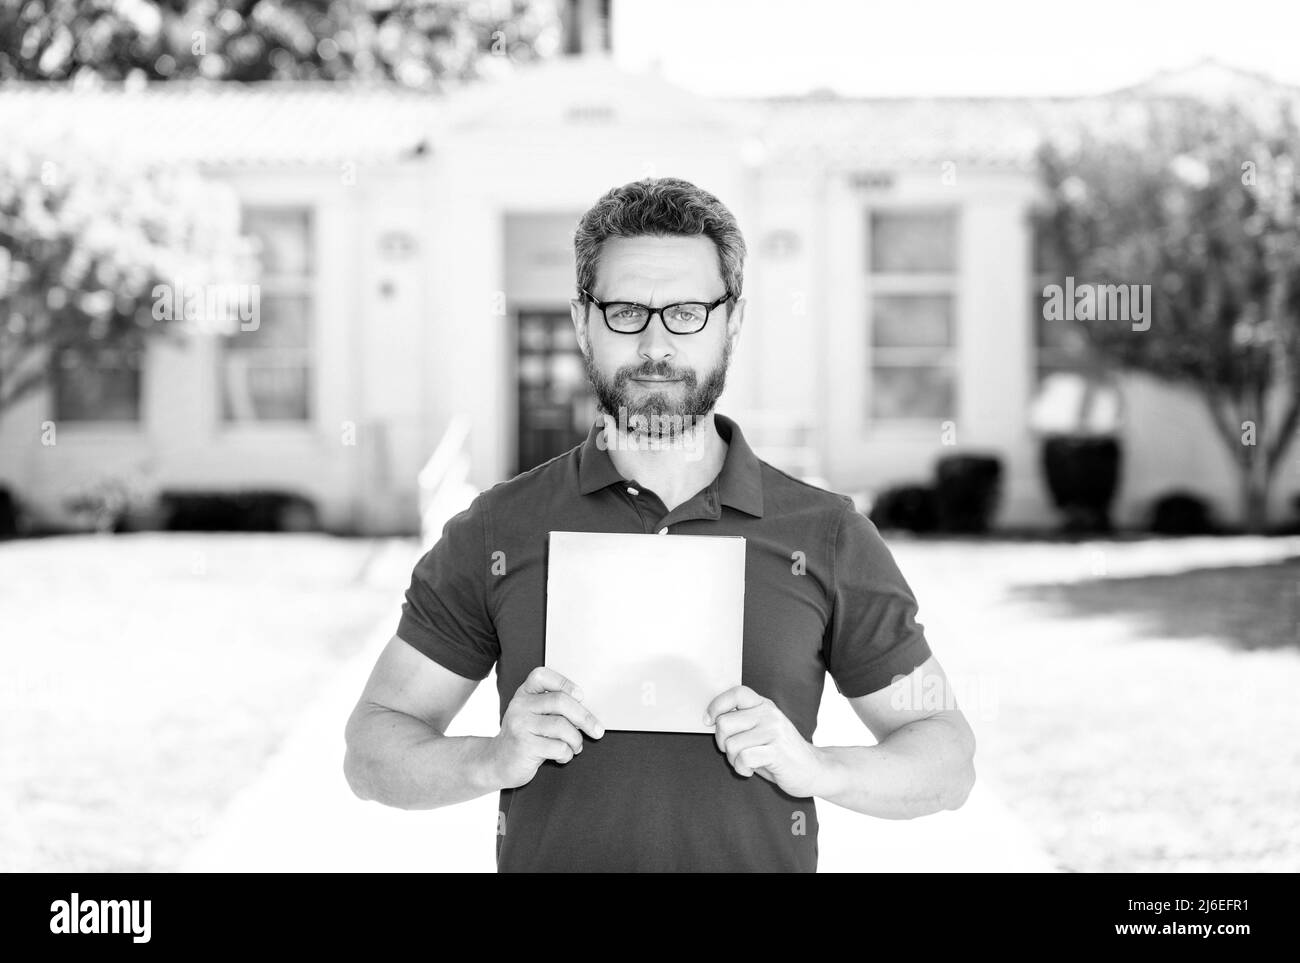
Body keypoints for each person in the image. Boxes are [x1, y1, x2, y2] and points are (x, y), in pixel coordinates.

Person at [343, 176, 976, 872]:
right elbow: (372, 751)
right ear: (583, 320)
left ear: (733, 320)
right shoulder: (496, 529)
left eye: (686, 312)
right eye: (624, 311)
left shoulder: (824, 534)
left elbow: (946, 754)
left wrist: (820, 768)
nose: (654, 342)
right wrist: (490, 759)